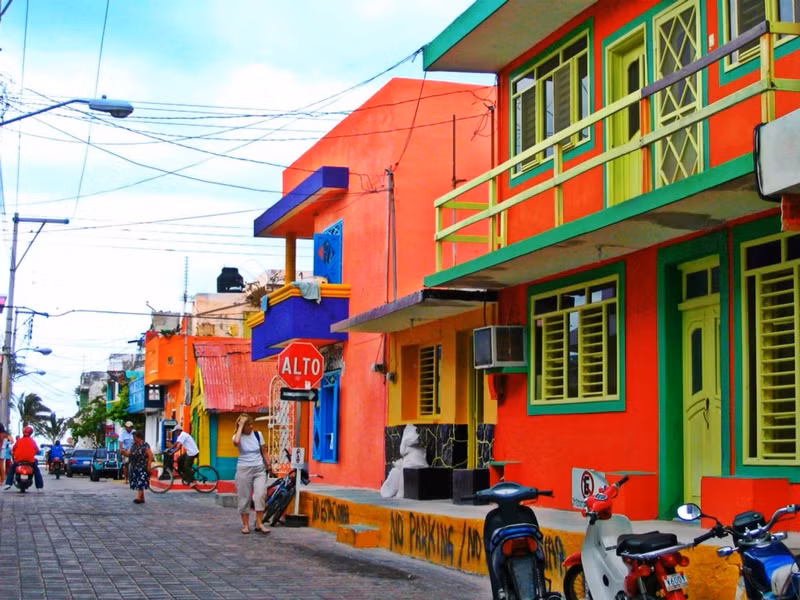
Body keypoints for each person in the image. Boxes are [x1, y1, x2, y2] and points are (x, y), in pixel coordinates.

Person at [232, 414, 271, 534]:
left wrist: (268, 465)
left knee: (260, 495)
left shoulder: (258, 435)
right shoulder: (237, 436)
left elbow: (264, 451)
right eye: (248, 425)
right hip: (244, 470)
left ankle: (259, 523)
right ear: (243, 426)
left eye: (251, 424)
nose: (251, 426)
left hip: (259, 469)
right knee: (244, 497)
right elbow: (236, 441)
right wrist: (240, 425)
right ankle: (245, 525)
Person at [3, 426, 43, 490]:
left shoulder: (19, 440)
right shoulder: (32, 441)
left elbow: (14, 449)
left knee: (12, 469)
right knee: (37, 471)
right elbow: (37, 450)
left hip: (19, 461)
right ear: (31, 433)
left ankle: (8, 484)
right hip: (30, 461)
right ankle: (39, 487)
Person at [121, 429, 152, 504]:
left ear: (139, 438)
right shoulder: (134, 446)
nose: (134, 439)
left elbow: (150, 455)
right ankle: (142, 498)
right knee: (137, 482)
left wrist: (149, 465)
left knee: (140, 482)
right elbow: (129, 454)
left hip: (142, 466)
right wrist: (123, 452)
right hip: (134, 466)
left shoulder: (145, 445)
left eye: (135, 437)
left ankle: (138, 497)